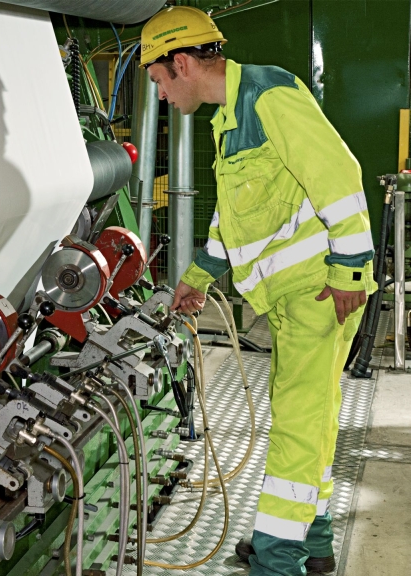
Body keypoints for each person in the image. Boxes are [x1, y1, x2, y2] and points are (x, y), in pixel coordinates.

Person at [139, 6, 376, 576]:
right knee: (310, 419)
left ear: (182, 62)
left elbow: (339, 176)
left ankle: (277, 561)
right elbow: (237, 218)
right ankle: (312, 543)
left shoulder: (269, 97)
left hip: (319, 294)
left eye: (159, 84)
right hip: (293, 300)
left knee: (295, 428)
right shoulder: (229, 119)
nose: (163, 99)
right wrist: (197, 278)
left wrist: (348, 269)